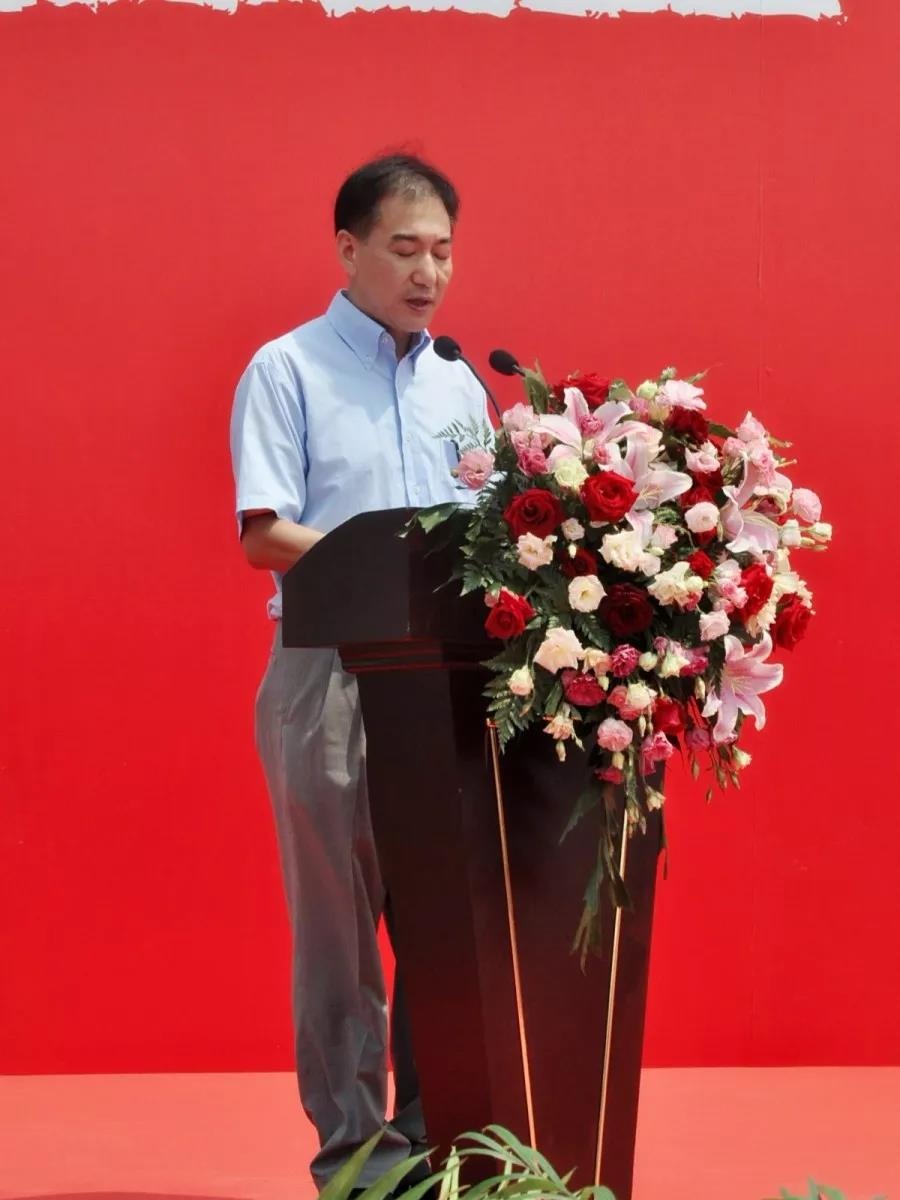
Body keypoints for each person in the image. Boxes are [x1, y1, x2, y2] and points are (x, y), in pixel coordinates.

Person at [229, 154, 487, 1192]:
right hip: (328, 675)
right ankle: (354, 1155)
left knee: (443, 920)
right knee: (339, 928)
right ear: (347, 248)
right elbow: (264, 532)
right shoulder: (287, 368)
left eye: (444, 252)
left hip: (443, 681)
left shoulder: (460, 381)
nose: (429, 273)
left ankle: (434, 1143)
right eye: (405, 248)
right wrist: (393, 562)